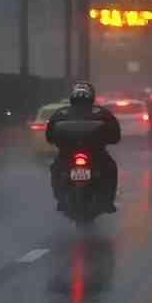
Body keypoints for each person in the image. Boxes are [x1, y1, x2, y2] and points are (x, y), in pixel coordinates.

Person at [46, 81, 120, 213]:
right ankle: (108, 202)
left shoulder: (61, 113)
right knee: (111, 168)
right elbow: (116, 135)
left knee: (55, 168)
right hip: (94, 154)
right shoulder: (102, 112)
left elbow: (49, 136)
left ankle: (61, 200)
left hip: (70, 155)